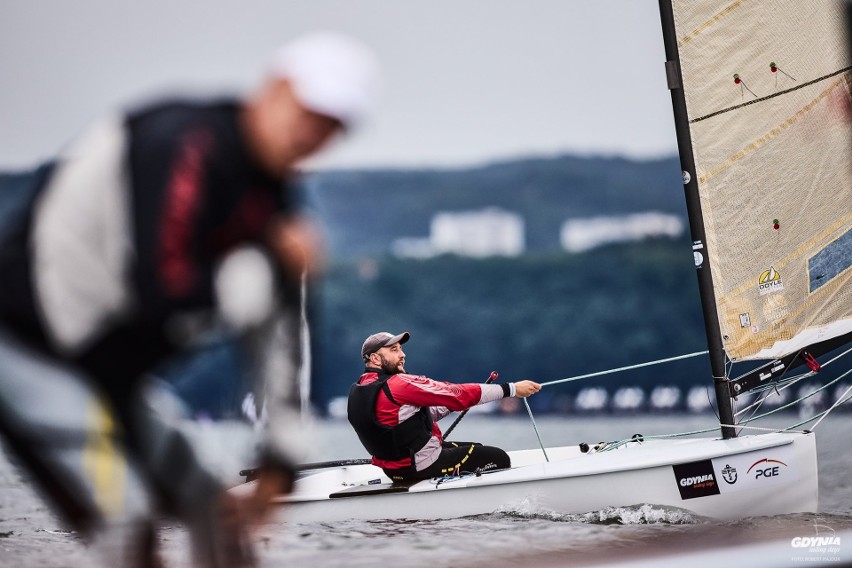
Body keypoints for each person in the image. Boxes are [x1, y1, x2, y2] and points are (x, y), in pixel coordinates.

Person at [0, 32, 379, 567]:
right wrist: (266, 264)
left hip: (105, 374)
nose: (313, 136)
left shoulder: (268, 193)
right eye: (310, 113)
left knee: (214, 510)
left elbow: (282, 329)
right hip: (26, 349)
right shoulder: (183, 143)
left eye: (332, 129)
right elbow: (164, 292)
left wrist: (280, 459)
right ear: (275, 88)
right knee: (127, 524)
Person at [348, 331, 541, 481]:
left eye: (401, 348)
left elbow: (411, 419)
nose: (403, 354)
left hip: (393, 470)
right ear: (374, 358)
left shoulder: (359, 389)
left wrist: (449, 404)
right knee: (499, 458)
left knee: (476, 448)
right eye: (394, 350)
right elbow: (459, 395)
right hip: (421, 466)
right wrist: (512, 389)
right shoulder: (399, 384)